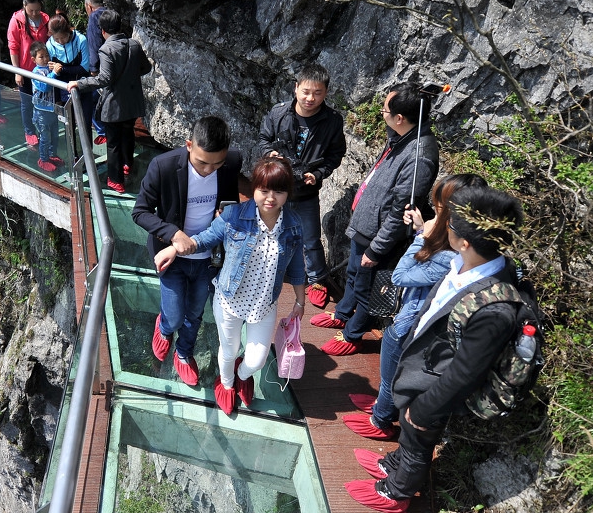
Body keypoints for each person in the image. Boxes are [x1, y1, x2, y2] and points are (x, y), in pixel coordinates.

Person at [346, 186, 525, 513]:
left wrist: (428, 408)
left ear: (465, 241)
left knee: (418, 436)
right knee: (407, 426)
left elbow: (465, 373)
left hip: (438, 385)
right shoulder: (464, 263)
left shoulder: (495, 309)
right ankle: (393, 464)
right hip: (425, 365)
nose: (445, 226)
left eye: (451, 225)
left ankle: (397, 492)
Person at [155, 156, 306, 414]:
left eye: (278, 191)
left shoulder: (293, 225)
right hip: (229, 300)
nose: (270, 198)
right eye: (264, 190)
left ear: (287, 193)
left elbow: (296, 267)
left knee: (256, 360)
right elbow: (203, 239)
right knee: (229, 350)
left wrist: (300, 301)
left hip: (264, 306)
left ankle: (242, 374)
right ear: (254, 188)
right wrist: (174, 248)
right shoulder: (234, 216)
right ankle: (225, 384)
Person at [344, 173, 486, 440]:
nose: (436, 211)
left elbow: (400, 276)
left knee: (391, 376)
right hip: (415, 321)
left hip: (408, 324)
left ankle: (380, 419)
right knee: (392, 374)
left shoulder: (449, 257)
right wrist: (424, 229)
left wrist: (422, 236)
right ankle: (382, 405)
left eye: (441, 208)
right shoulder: (463, 250)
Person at [314, 83, 440, 356]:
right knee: (354, 275)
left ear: (400, 119)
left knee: (366, 287)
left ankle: (352, 335)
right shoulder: (402, 136)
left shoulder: (420, 156)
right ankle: (343, 313)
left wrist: (378, 247)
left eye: (385, 109)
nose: (381, 112)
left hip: (378, 236)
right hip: (366, 225)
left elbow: (400, 210)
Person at [132, 116, 243, 387]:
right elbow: (140, 212)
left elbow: (233, 205)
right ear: (189, 145)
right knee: (174, 315)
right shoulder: (164, 166)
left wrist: (225, 214)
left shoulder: (231, 164)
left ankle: (183, 354)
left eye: (217, 163)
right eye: (202, 162)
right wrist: (173, 234)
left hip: (207, 257)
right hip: (172, 256)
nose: (209, 169)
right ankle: (164, 327)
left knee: (195, 313)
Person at [257, 64, 347, 309]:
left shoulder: (332, 120)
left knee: (310, 238)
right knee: (269, 231)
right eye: (306, 91)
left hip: (307, 190)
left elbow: (336, 153)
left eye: (317, 93)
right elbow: (264, 138)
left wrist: (318, 173)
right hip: (276, 186)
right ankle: (265, 269)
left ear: (326, 93)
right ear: (296, 88)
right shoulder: (279, 113)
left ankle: (317, 280)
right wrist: (269, 152)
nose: (310, 98)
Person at [68, 10, 151, 192]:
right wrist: (128, 78)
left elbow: (103, 79)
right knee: (128, 134)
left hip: (114, 105)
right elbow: (146, 67)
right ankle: (127, 164)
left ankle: (116, 180)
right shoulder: (134, 44)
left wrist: (80, 83)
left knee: (113, 143)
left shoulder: (106, 49)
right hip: (132, 101)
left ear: (103, 30)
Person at [8, 0, 52, 148]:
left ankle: (44, 128)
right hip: (26, 70)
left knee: (43, 101)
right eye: (31, 10)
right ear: (24, 6)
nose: (34, 13)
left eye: (37, 10)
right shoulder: (17, 21)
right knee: (27, 103)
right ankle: (29, 130)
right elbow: (13, 47)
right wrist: (17, 71)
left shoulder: (46, 20)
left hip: (42, 70)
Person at [28, 43, 61, 172]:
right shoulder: (36, 72)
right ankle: (43, 159)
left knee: (55, 135)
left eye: (47, 55)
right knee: (45, 137)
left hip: (52, 109)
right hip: (41, 112)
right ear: (34, 59)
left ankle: (52, 155)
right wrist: (54, 73)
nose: (45, 59)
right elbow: (44, 86)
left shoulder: (49, 68)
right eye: (41, 57)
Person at [45, 15, 89, 100]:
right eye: (56, 39)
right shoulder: (49, 45)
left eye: (63, 37)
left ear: (68, 31)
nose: (61, 41)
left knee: (85, 113)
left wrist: (61, 68)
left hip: (82, 85)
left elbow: (84, 68)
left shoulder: (81, 40)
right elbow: (53, 75)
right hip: (62, 89)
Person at [83, 0, 106, 143]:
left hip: (101, 67)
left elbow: (94, 44)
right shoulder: (110, 12)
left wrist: (93, 68)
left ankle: (102, 131)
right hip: (115, 64)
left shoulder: (94, 17)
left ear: (89, 6)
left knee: (91, 98)